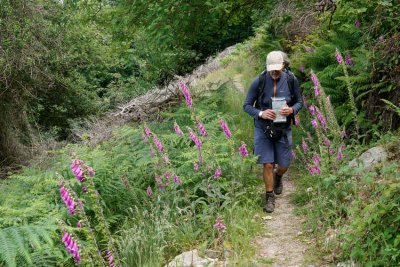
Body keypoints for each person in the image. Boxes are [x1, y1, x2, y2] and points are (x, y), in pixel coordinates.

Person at [243, 51, 303, 213]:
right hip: (263, 128)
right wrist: (261, 113)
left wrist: (291, 110)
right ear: (267, 67)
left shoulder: (291, 80)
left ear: (283, 65)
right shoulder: (259, 81)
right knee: (268, 163)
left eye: (278, 68)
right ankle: (269, 196)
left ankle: (279, 176)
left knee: (283, 165)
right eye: (272, 69)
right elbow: (247, 105)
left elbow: (299, 102)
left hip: (283, 128)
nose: (275, 72)